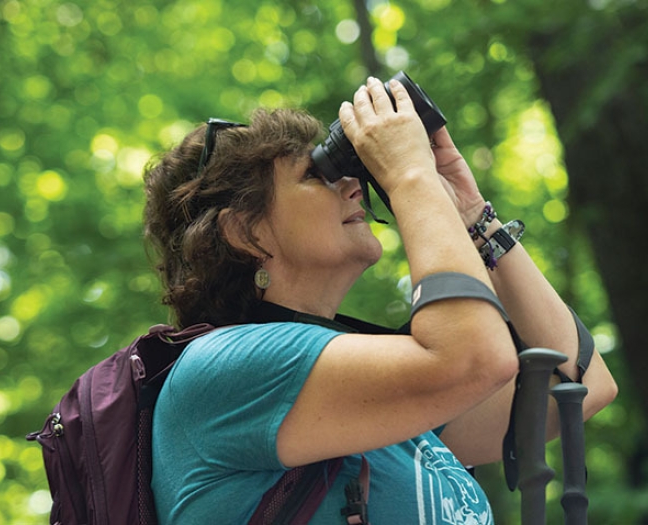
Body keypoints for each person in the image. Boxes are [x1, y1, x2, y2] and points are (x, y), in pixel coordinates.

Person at [144, 76, 618, 524]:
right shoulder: (223, 372)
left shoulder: (376, 404)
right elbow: (476, 358)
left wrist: (473, 218)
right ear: (245, 232)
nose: (353, 184)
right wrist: (410, 175)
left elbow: (579, 387)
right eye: (317, 175)